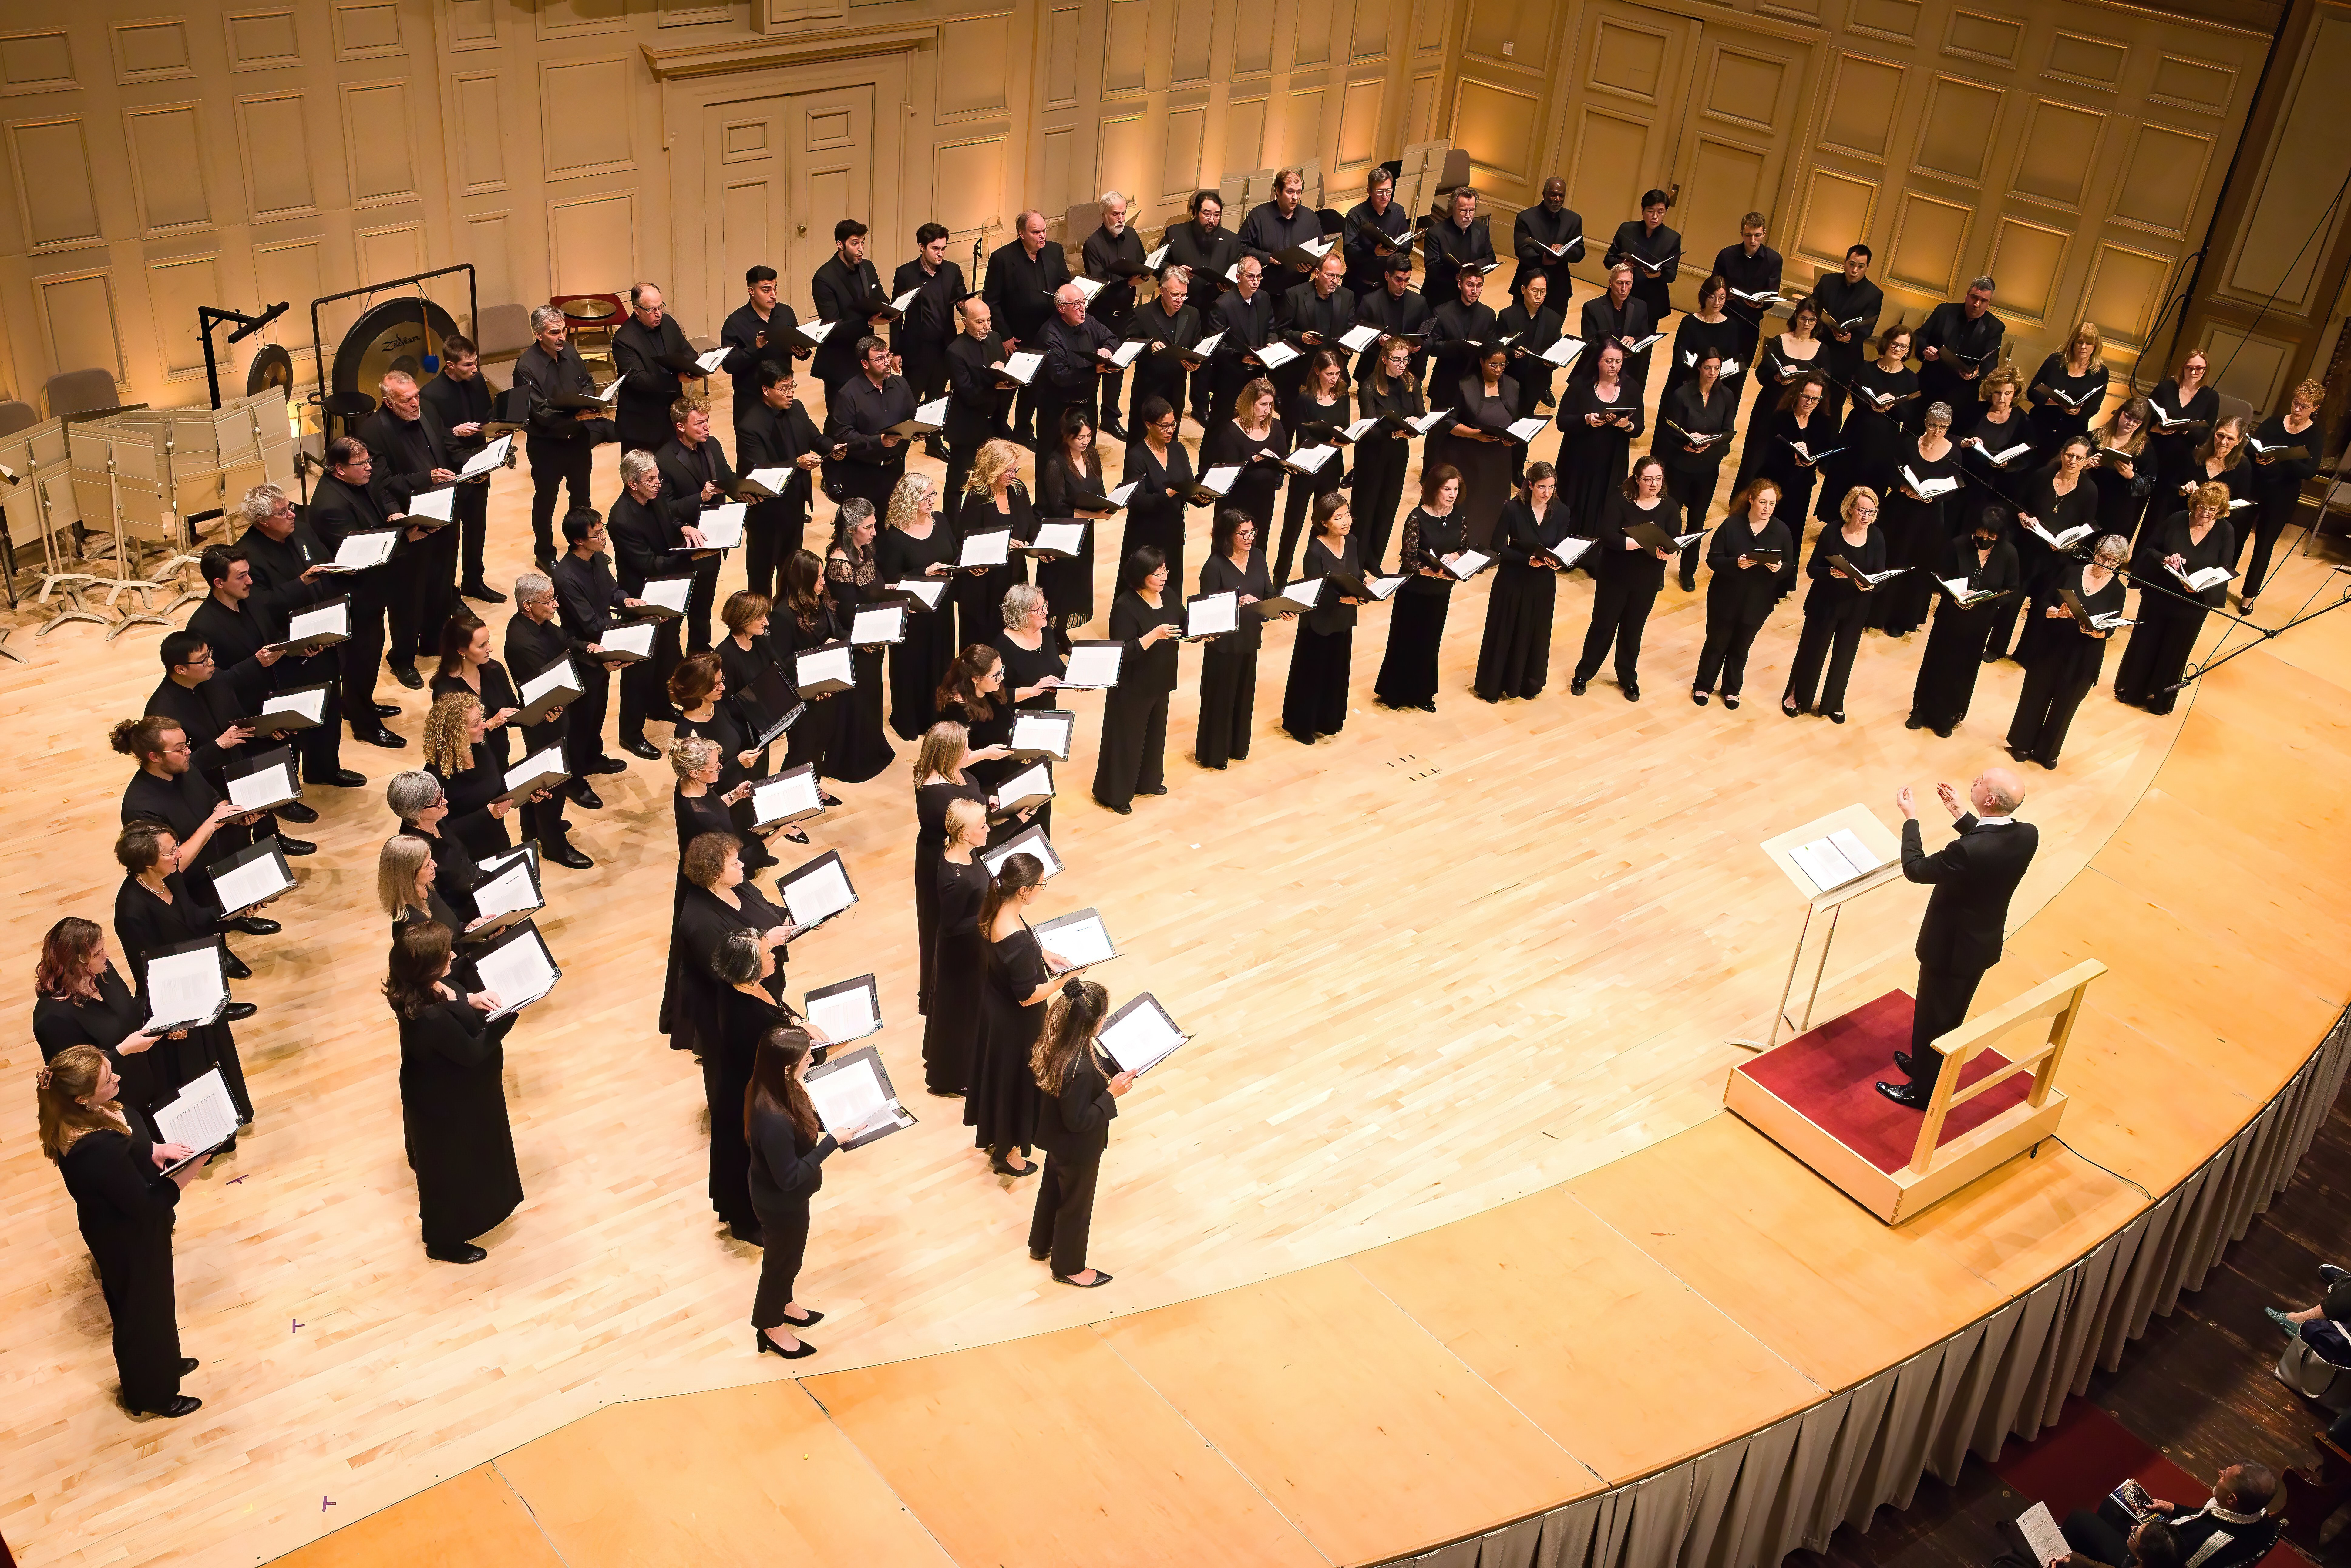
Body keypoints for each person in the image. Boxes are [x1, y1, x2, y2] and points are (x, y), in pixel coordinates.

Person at [39, 1044, 208, 1418]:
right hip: (127, 1236)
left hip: (125, 1225)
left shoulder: (85, 1113)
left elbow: (127, 1148)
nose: (117, 1078)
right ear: (83, 1097)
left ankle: (164, 1362)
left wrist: (154, 1151)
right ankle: (152, 1394)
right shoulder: (94, 1147)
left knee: (154, 1305)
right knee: (141, 1312)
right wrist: (195, 1166)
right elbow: (145, 1204)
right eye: (107, 1079)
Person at [1873, 769, 2039, 1106]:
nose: (1973, 783)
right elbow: (1987, 847)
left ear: (1990, 800)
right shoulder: (2027, 835)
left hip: (1950, 947)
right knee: (1943, 1014)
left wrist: (1911, 819)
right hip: (1979, 944)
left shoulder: (1969, 851)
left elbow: (1916, 869)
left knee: (1937, 1019)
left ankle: (1923, 1091)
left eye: (1979, 783)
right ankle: (1923, 1065)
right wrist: (1960, 813)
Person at [385, 920, 520, 1262]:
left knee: (469, 1160)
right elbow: (472, 1052)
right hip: (444, 1104)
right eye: (447, 954)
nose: (455, 955)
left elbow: (452, 997)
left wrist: (472, 999)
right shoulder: (429, 1018)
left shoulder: (425, 986)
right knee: (449, 1169)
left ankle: (476, 1216)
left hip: (460, 1095)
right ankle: (442, 1242)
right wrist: (507, 1015)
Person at [216, 487, 367, 788]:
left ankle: (323, 769)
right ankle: (287, 785)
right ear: (263, 521)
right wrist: (301, 583)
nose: (292, 514)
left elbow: (324, 564)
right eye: (282, 512)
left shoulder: (302, 531)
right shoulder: (249, 555)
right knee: (290, 722)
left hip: (323, 633)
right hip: (287, 647)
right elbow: (259, 605)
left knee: (328, 707)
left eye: (291, 506)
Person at [110, 821, 257, 1121]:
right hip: (174, 1002)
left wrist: (235, 910)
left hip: (201, 985)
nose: (179, 854)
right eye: (170, 851)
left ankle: (232, 1118)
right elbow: (146, 973)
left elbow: (196, 921)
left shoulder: (170, 877)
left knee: (218, 1053)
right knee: (193, 1071)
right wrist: (173, 1019)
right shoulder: (131, 910)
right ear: (147, 863)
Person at [744, 1024, 859, 1360]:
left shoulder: (778, 1085)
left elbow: (802, 1123)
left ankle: (785, 1302)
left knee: (790, 1259)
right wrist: (832, 1143)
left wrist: (826, 1124)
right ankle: (769, 1325)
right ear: (786, 1066)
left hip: (789, 1200)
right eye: (807, 1058)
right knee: (780, 1264)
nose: (812, 1061)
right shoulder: (772, 1118)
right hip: (780, 1203)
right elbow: (790, 1178)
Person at [966, 853, 1082, 1175]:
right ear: (1024, 890)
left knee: (1001, 1083)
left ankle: (998, 1137)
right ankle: (1009, 1152)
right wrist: (1065, 981)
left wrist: (1044, 954)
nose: (1042, 889)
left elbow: (1019, 949)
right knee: (1016, 1087)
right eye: (1041, 885)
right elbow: (1028, 996)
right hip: (1016, 1025)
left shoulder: (997, 910)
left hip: (996, 1011)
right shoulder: (1014, 938)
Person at [436, 612, 582, 867]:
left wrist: (541, 713)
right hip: (471, 767)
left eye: (488, 641)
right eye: (481, 645)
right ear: (461, 650)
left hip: (498, 756)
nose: (490, 649)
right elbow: (453, 738)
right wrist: (490, 724)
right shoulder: (445, 688)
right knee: (485, 823)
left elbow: (512, 711)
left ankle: (533, 834)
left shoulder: (494, 670)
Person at [306, 436, 416, 745]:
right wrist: (408, 538)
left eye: (369, 461)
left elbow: (379, 504)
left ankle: (359, 705)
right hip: (352, 596)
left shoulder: (356, 483)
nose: (370, 468)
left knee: (368, 656)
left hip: (370, 591)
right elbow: (358, 553)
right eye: (362, 464)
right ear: (340, 470)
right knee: (359, 661)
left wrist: (395, 517)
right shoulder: (330, 505)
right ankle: (366, 726)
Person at [356, 370, 463, 685]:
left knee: (441, 584)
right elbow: (382, 483)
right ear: (389, 403)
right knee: (408, 596)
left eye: (416, 395)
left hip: (445, 513)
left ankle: (432, 644)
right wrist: (425, 479)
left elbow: (445, 443)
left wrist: (469, 466)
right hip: (412, 522)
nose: (416, 403)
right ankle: (402, 659)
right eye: (407, 400)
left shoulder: (427, 408)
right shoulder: (373, 431)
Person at [1027, 977, 1132, 1287]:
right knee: (1076, 1204)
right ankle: (1069, 1267)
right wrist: (1111, 1094)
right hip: (1078, 1146)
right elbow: (1080, 1120)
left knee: (1053, 1191)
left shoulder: (1063, 1042)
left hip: (1059, 1141)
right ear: (1094, 1023)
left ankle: (1041, 1244)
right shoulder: (1081, 1068)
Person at [663, 831, 796, 1058]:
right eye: (735, 863)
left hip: (766, 974)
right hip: (737, 999)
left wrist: (803, 919)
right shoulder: (700, 921)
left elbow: (769, 911)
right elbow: (729, 972)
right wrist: (767, 942)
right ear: (715, 873)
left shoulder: (739, 885)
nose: (742, 865)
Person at [2005, 533, 2130, 769]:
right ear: (2095, 552)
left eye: (2112, 561)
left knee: (2065, 706)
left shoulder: (2118, 591)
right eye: (2101, 556)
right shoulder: (2071, 572)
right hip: (2052, 645)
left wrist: (2098, 633)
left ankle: (2047, 752)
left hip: (2084, 655)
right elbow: (2044, 600)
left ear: (2120, 562)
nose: (2104, 564)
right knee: (2035, 695)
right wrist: (2053, 611)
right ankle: (2022, 744)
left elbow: (2110, 628)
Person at [2114, 483, 2237, 714]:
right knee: (2146, 643)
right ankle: (2132, 690)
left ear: (2220, 510)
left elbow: (2224, 569)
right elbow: (2149, 550)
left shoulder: (2226, 531)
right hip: (2161, 594)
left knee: (2175, 651)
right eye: (2202, 507)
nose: (2206, 514)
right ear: (2194, 503)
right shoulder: (2177, 519)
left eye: (2212, 510)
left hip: (2193, 603)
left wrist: (2201, 588)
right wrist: (2166, 559)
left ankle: (2159, 701)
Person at [511, 306, 618, 568]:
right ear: (538, 334)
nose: (562, 337)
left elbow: (587, 381)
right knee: (546, 501)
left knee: (582, 499)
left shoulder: (568, 351)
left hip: (578, 440)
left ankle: (583, 548)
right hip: (548, 445)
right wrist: (575, 418)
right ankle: (544, 554)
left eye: (564, 330)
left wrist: (590, 405)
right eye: (555, 332)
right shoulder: (526, 367)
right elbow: (539, 412)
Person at [34, 918, 171, 1116]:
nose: (106, 955)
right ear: (77, 963)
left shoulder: (100, 969)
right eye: (98, 953)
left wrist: (169, 1009)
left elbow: (128, 1007)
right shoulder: (53, 1019)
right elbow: (74, 1078)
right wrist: (123, 1050)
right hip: (112, 1108)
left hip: (146, 1081)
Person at [711, 930, 797, 1243]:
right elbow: (779, 1054)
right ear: (749, 971)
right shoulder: (750, 1016)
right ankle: (751, 1223)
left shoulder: (741, 985)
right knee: (751, 1159)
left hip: (743, 1082)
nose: (774, 955)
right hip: (750, 1097)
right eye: (766, 954)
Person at [1909, 507, 2022, 736]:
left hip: (1979, 623)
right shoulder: (1957, 545)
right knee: (1936, 663)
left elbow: (2012, 589)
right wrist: (1954, 595)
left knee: (1963, 669)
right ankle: (1921, 711)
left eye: (1992, 536)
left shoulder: (2009, 554)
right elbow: (1937, 578)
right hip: (1950, 617)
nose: (1986, 539)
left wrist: (1989, 601)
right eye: (1982, 533)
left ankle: (1947, 716)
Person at [1986, 435, 2101, 659]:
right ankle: (1996, 648)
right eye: (2070, 455)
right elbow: (2020, 503)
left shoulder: (2090, 490)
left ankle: (2026, 654)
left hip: (2057, 557)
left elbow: (2088, 525)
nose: (2073, 461)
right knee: (2012, 600)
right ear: (2063, 454)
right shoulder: (2042, 475)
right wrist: (2022, 515)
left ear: (2087, 462)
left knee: (2042, 604)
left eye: (2080, 458)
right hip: (2028, 550)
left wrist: (2069, 543)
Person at [1573, 457, 1677, 701]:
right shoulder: (1620, 501)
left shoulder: (1670, 506)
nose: (1654, 484)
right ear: (1637, 479)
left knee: (1633, 630)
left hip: (1647, 579)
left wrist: (1670, 552)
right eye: (1649, 479)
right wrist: (1642, 542)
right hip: (1615, 576)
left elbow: (1674, 540)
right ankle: (1584, 673)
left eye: (1659, 479)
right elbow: (1607, 536)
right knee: (1603, 626)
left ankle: (1628, 677)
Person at [549, 508, 642, 779]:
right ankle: (576, 775)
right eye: (598, 533)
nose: (604, 537)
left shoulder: (598, 559)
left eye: (603, 530)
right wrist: (633, 626)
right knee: (582, 716)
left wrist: (626, 601)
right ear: (579, 540)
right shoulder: (566, 577)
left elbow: (612, 590)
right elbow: (590, 624)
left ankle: (593, 757)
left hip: (603, 647)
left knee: (599, 708)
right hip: (583, 654)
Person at [606, 449, 688, 758]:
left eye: (658, 476)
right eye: (651, 479)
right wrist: (689, 555)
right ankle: (631, 732)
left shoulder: (656, 499)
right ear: (632, 484)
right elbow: (649, 563)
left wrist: (683, 530)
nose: (659, 483)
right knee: (639, 667)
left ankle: (659, 705)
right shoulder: (622, 518)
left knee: (667, 654)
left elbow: (670, 525)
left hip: (665, 592)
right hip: (639, 597)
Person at [912, 719, 998, 1011]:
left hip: (944, 847)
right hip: (942, 861)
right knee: (940, 925)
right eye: (965, 750)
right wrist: (1001, 817)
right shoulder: (940, 797)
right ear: (948, 755)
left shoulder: (936, 769)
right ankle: (940, 995)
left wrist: (984, 754)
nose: (970, 753)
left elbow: (965, 766)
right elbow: (968, 829)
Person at [1781, 487, 1885, 722]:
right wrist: (1830, 572)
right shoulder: (1832, 532)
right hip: (1825, 604)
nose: (1866, 516)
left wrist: (1871, 586)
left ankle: (1833, 704)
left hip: (1856, 608)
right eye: (1862, 510)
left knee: (1844, 657)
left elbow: (1879, 578)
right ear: (1850, 508)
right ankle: (1796, 697)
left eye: (1871, 511)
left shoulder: (1877, 537)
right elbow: (1811, 570)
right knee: (1812, 652)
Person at [1093, 547, 1183, 813]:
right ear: (1141, 576)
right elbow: (1122, 652)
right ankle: (1115, 794)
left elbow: (1183, 621)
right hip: (1133, 685)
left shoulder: (1167, 594)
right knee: (1127, 740)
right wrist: (1154, 635)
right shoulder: (1125, 606)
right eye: (1158, 574)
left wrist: (1203, 633)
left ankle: (1148, 781)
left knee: (1155, 734)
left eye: (1165, 570)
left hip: (1161, 679)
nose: (1164, 577)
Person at [1691, 478, 1794, 708]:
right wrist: (1735, 564)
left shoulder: (1782, 531)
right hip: (1725, 597)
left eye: (1772, 504)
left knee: (1741, 647)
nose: (1767, 508)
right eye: (1763, 502)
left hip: (1758, 601)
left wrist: (1780, 569)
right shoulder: (1731, 526)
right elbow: (1713, 559)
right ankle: (1703, 685)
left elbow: (1790, 565)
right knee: (1717, 643)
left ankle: (1731, 689)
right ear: (1751, 500)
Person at [2059, 1463, 2281, 1568]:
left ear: (2232, 1499)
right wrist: (2174, 1509)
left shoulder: (2211, 1541)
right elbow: (2208, 1515)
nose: (2220, 1472)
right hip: (2168, 1539)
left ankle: (2058, 1558)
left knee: (2080, 1520)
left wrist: (2138, 1548)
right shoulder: (2257, 1515)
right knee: (2112, 1507)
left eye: (2225, 1477)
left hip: (2154, 1561)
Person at [1375, 466, 1469, 712]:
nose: (1452, 495)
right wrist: (1431, 571)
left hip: (1441, 591)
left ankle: (1423, 693)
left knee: (1430, 642)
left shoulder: (1459, 516)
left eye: (1455, 489)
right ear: (1435, 489)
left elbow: (1465, 547)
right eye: (1447, 489)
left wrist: (1456, 556)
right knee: (1406, 641)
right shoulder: (1417, 517)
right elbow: (1408, 557)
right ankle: (1394, 693)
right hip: (1415, 591)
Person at [506, 569, 600, 811]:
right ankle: (549, 830)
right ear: (527, 605)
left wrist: (587, 646)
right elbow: (551, 684)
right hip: (544, 715)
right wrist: (603, 670)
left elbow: (565, 640)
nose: (556, 605)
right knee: (547, 778)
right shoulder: (523, 643)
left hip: (557, 705)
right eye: (549, 601)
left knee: (568, 748)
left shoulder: (541, 623)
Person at [876, 473, 959, 738]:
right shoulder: (894, 538)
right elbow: (889, 582)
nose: (933, 501)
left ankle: (939, 716)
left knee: (942, 661)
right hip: (913, 614)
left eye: (934, 495)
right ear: (910, 500)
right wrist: (925, 572)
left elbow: (954, 552)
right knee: (913, 667)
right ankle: (911, 719)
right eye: (927, 497)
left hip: (941, 608)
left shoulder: (942, 521)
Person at [1475, 463, 1566, 702]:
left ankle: (1528, 684)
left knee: (1535, 633)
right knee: (1505, 631)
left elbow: (1561, 548)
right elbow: (1496, 547)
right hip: (1512, 580)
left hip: (1542, 584)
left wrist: (1558, 562)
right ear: (1531, 485)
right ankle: (1493, 686)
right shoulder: (1513, 510)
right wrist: (1527, 559)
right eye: (1542, 487)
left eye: (1551, 487)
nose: (1547, 493)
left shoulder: (1562, 512)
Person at [1870, 402, 1962, 638]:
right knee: (1892, 560)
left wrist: (1935, 494)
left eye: (1944, 427)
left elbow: (1954, 487)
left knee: (1916, 568)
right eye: (1933, 425)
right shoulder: (1910, 444)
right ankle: (1876, 613)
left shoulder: (1954, 451)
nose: (1938, 431)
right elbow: (1891, 474)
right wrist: (1904, 489)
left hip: (1929, 519)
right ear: (1925, 423)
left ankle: (1901, 619)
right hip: (1901, 513)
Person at [735, 363, 826, 601]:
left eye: (792, 385)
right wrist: (797, 463)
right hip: (767, 513)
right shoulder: (750, 425)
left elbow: (815, 437)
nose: (791, 393)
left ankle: (788, 617)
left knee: (792, 570)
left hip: (794, 506)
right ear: (766, 390)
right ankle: (760, 623)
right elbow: (760, 470)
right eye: (784, 388)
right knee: (761, 575)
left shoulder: (797, 409)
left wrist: (833, 447)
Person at [418, 335, 499, 601]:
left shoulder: (476, 382)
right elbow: (432, 436)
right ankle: (448, 594)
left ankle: (474, 582)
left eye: (476, 363)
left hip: (479, 467)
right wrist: (454, 431)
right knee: (450, 541)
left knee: (477, 531)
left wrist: (497, 430)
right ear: (450, 366)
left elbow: (487, 416)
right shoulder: (430, 394)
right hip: (451, 474)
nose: (475, 370)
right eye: (468, 365)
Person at [824, 500, 898, 784]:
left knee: (871, 696)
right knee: (856, 701)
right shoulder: (840, 563)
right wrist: (865, 638)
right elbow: (846, 613)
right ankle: (853, 759)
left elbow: (871, 588)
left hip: (873, 639)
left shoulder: (863, 548)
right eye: (869, 527)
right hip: (857, 645)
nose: (875, 532)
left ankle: (871, 747)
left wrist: (889, 591)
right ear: (852, 529)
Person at [923, 797, 993, 1096]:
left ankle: (942, 1061)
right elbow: (952, 925)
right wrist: (988, 922)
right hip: (961, 953)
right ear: (966, 834)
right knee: (961, 1014)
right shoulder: (957, 878)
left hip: (967, 946)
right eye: (983, 826)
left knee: (955, 1011)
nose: (988, 829)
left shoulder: (959, 851)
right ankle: (951, 1077)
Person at [984, 209, 1072, 444]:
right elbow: (992, 300)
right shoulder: (1002, 258)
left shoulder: (1054, 251)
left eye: (1044, 231)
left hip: (1049, 333)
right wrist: (1004, 335)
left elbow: (1065, 284)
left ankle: (1024, 429)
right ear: (1022, 233)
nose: (1042, 236)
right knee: (1010, 385)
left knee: (1035, 387)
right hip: (1017, 336)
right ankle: (1000, 428)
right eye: (1036, 232)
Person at [1283, 495, 1366, 742]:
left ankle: (1328, 721)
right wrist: (1347, 600)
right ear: (1324, 522)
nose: (1345, 521)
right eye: (1338, 517)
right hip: (1318, 623)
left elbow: (1357, 572)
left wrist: (1367, 582)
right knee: (1313, 675)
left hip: (1343, 620)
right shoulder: (1314, 552)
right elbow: (1315, 594)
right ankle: (1301, 726)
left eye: (1347, 514)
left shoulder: (1351, 542)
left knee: (1336, 672)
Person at [1196, 507, 1273, 768]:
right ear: (1228, 536)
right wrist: (1235, 603)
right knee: (1220, 700)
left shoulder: (1259, 558)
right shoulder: (1214, 567)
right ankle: (1214, 754)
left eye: (1253, 532)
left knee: (1243, 697)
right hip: (1223, 646)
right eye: (1244, 534)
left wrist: (1281, 608)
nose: (1250, 538)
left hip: (1250, 640)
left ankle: (1239, 747)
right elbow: (1204, 612)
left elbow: (1269, 594)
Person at [1659, 345, 1738, 591]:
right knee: (1671, 518)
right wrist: (1686, 445)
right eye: (1708, 368)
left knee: (1697, 519)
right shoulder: (1682, 395)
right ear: (1699, 368)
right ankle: (1660, 567)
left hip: (1707, 468)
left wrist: (1709, 446)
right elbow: (1669, 430)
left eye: (1717, 368)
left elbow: (1727, 433)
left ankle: (1688, 570)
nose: (1713, 373)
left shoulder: (1726, 397)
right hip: (1681, 466)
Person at [2242, 379, 2325, 613]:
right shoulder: (2273, 423)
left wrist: (2286, 458)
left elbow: (2309, 471)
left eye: (2304, 406)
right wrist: (2256, 456)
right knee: (2236, 534)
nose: (2297, 410)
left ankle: (2249, 595)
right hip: (2255, 486)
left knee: (2264, 544)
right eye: (2296, 403)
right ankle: (2217, 586)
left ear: (2315, 409)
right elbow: (2251, 446)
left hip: (2283, 495)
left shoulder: (2315, 435)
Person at [953, 437, 1038, 651]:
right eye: (1009, 471)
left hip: (1013, 579)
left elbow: (1031, 528)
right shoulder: (976, 498)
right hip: (985, 585)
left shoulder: (1019, 491)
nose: (1014, 475)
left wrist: (1042, 548)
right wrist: (1001, 543)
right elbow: (965, 542)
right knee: (984, 647)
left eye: (1016, 470)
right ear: (993, 468)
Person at [1035, 409, 1114, 638]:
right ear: (1066, 435)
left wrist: (1109, 504)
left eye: (1089, 437)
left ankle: (1062, 632)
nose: (1085, 442)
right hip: (1061, 535)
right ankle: (1048, 635)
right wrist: (1095, 516)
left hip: (1084, 531)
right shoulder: (1055, 463)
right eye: (1080, 438)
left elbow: (1099, 488)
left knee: (1076, 584)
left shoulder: (1092, 455)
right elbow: (1058, 507)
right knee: (1058, 587)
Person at [1434, 343, 1522, 549]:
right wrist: (1475, 435)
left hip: (1499, 455)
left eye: (1503, 365)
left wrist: (1513, 437)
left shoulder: (1513, 385)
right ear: (1481, 362)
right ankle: (1465, 547)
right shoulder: (1464, 385)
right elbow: (1447, 422)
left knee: (1495, 501)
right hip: (1467, 455)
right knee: (1471, 502)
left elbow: (1516, 420)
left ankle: (1491, 548)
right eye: (1494, 365)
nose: (1499, 370)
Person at [1735, 296, 1825, 495]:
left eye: (1812, 320)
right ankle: (1744, 499)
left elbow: (1822, 384)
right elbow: (1761, 373)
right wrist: (1776, 377)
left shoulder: (1821, 350)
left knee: (1784, 458)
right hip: (1771, 405)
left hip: (1798, 412)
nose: (1807, 324)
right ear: (1796, 317)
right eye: (1803, 319)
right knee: (1756, 455)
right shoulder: (1780, 340)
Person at [772, 550, 845, 797]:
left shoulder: (821, 599)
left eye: (823, 576)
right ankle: (788, 799)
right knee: (802, 748)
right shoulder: (783, 614)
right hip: (803, 693)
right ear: (802, 580)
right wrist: (818, 654)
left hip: (827, 687)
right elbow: (781, 662)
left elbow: (838, 632)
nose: (824, 582)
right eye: (818, 578)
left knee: (822, 742)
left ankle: (813, 785)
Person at [1162, 190, 1239, 423]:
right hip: (1182, 307)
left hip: (1215, 308)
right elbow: (1158, 264)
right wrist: (1175, 271)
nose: (1212, 220)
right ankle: (1168, 406)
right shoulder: (1175, 233)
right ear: (1194, 213)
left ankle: (1201, 405)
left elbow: (1237, 271)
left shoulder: (1231, 240)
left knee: (1206, 359)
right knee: (1178, 359)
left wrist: (1229, 284)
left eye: (1217, 215)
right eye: (1207, 214)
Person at [890, 224, 966, 455]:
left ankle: (934, 443)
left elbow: (962, 301)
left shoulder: (953, 271)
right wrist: (895, 351)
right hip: (916, 348)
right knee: (910, 401)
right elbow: (897, 314)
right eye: (935, 249)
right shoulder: (905, 274)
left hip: (944, 347)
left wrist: (968, 307)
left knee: (938, 397)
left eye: (944, 248)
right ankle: (899, 449)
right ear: (922, 247)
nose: (941, 253)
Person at [1353, 338, 1426, 573]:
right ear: (1384, 360)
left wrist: (1415, 423)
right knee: (1366, 508)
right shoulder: (1370, 386)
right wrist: (1394, 431)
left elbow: (1421, 413)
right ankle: (1357, 561)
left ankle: (1374, 560)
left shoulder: (1411, 382)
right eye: (1396, 360)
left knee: (1388, 506)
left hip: (1398, 452)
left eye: (1406, 359)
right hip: (1372, 454)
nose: (1402, 364)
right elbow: (1368, 428)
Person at [1277, 349, 1351, 581]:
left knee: (1325, 523)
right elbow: (1302, 436)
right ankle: (1280, 577)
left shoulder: (1343, 395)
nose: (1334, 379)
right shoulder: (1305, 399)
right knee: (1294, 523)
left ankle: (1315, 573)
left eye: (1338, 374)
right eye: (1329, 374)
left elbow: (1345, 425)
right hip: (1308, 467)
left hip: (1331, 465)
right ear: (1317, 371)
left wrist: (1342, 435)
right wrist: (1325, 440)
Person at [719, 264, 810, 451]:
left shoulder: (786, 313)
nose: (774, 295)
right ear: (752, 291)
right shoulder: (735, 323)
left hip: (781, 394)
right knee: (754, 454)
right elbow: (728, 365)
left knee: (785, 448)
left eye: (775, 288)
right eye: (766, 290)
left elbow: (799, 348)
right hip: (751, 399)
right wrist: (755, 348)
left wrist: (803, 351)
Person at [1553, 340, 1641, 531]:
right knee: (1573, 502)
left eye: (1619, 361)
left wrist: (1627, 425)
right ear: (1597, 361)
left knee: (1605, 504)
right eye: (1609, 361)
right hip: (1579, 458)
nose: (1614, 366)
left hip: (1612, 460)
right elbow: (1561, 422)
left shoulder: (1631, 388)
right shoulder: (1580, 385)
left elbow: (1639, 428)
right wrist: (1585, 420)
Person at [1080, 192, 1147, 437]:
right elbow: (1100, 286)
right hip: (1101, 316)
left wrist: (1146, 273)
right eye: (1115, 214)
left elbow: (1143, 262)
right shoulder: (1093, 244)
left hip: (1126, 314)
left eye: (1123, 214)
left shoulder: (1131, 235)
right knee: (1099, 367)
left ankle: (1110, 418)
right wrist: (1128, 284)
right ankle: (1087, 421)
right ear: (1104, 215)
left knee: (1118, 368)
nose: (1120, 219)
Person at [824, 336, 917, 512]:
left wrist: (919, 431)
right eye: (880, 359)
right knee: (862, 530)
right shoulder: (848, 395)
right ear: (865, 364)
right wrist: (879, 441)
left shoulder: (901, 384)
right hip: (862, 476)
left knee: (892, 523)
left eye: (888, 356)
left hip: (895, 469)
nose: (887, 363)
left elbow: (911, 418)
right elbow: (843, 435)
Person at [609, 281, 699, 453]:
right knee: (642, 476)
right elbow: (638, 379)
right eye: (651, 310)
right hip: (642, 423)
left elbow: (686, 350)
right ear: (637, 310)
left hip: (672, 414)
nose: (658, 314)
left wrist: (693, 367)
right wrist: (677, 378)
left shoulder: (668, 323)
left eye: (661, 307)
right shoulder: (624, 339)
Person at [942, 297, 1014, 507]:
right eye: (980, 322)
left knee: (995, 482)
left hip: (994, 425)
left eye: (989, 321)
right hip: (967, 428)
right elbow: (969, 394)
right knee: (958, 485)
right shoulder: (955, 352)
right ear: (965, 322)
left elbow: (1005, 372)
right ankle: (953, 535)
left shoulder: (995, 339)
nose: (987, 327)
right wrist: (995, 385)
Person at [810, 218, 893, 399]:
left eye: (863, 243)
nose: (861, 248)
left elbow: (882, 299)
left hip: (866, 355)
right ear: (841, 245)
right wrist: (868, 322)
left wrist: (891, 311)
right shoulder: (824, 278)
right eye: (855, 244)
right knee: (840, 417)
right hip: (840, 360)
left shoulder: (868, 267)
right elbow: (832, 326)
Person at [1751, 370, 1835, 547]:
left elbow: (1824, 452)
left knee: (1792, 534)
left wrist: (1813, 460)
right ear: (1798, 393)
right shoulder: (1781, 417)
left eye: (1815, 399)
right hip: (1775, 484)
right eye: (1806, 396)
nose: (1809, 403)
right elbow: (1769, 453)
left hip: (1802, 486)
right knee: (1768, 530)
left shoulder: (1823, 422)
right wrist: (1793, 459)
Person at [1121, 397, 1196, 592]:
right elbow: (1137, 503)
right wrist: (1171, 492)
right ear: (1149, 425)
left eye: (1173, 425)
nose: (1170, 430)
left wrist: (1201, 497)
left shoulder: (1178, 450)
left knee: (1171, 585)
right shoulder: (1136, 457)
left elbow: (1189, 485)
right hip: (1147, 535)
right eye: (1164, 426)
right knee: (1145, 588)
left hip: (1173, 530)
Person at [1034, 281, 1120, 448]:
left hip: (1088, 404)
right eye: (1076, 304)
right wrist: (1094, 370)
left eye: (1084, 302)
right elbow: (1060, 375)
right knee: (1058, 459)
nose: (1083, 309)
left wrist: (1106, 349)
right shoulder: (1050, 335)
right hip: (1059, 410)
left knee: (1088, 455)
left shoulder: (1088, 321)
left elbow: (1112, 339)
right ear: (1061, 308)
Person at [1813, 244, 1884, 429]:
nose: (1855, 270)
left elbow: (1868, 328)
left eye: (1861, 266)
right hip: (1818, 348)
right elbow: (1812, 308)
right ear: (1845, 262)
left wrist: (1849, 337)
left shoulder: (1874, 294)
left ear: (1867, 268)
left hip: (1845, 357)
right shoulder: (1827, 281)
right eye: (1851, 264)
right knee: (1806, 398)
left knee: (1833, 406)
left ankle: (1825, 451)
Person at [1126, 265, 1201, 437]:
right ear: (1162, 290)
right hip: (1149, 390)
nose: (1180, 300)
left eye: (1184, 295)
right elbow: (1129, 344)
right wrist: (1148, 347)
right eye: (1175, 294)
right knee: (1142, 438)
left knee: (1171, 438)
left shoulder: (1193, 314)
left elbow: (1196, 345)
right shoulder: (1142, 314)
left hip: (1176, 389)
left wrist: (1196, 364)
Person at [1915, 276, 2004, 413]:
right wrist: (1925, 350)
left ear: (1989, 303)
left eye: (1984, 301)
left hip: (1962, 394)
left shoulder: (1996, 327)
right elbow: (1920, 336)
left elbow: (1991, 362)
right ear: (1967, 296)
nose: (1977, 304)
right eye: (1975, 297)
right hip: (1929, 382)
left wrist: (1977, 372)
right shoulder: (1944, 311)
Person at [1210, 256, 1279, 424]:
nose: (1256, 281)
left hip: (1257, 374)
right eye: (1251, 276)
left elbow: (1272, 328)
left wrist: (1272, 343)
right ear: (1239, 277)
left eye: (1259, 276)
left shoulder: (1264, 298)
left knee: (1252, 423)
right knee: (1223, 425)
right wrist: (1240, 357)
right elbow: (1216, 346)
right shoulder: (1222, 305)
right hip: (1231, 378)